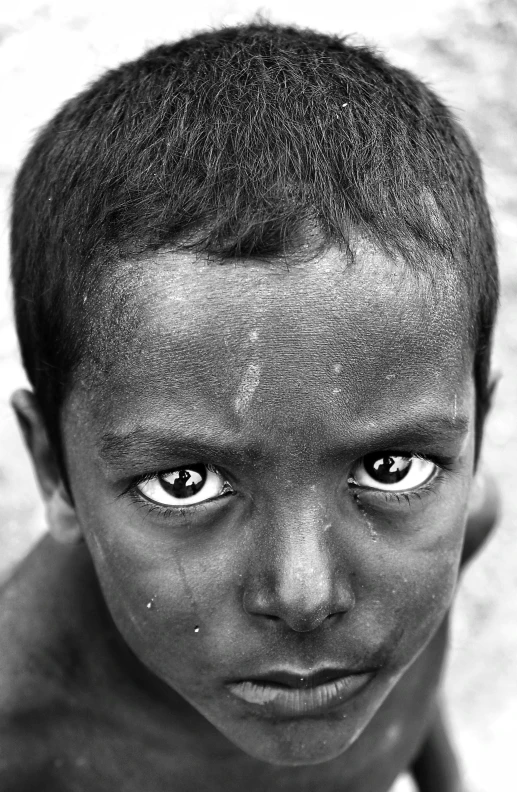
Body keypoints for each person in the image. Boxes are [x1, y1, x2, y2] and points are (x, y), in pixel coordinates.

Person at [0, 20, 499, 792]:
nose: (303, 596)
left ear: (476, 438)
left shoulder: (461, 521)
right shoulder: (21, 724)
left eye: (388, 467)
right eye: (184, 482)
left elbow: (412, 700)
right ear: (52, 469)